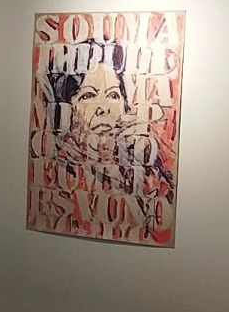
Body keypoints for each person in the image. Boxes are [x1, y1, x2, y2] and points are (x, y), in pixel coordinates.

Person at [48, 44, 175, 208]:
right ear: (66, 108)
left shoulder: (136, 159)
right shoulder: (59, 170)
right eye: (88, 95)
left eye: (113, 95)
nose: (104, 107)